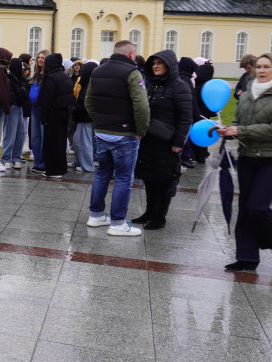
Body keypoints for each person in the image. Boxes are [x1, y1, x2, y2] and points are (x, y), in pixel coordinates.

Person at [85, 40, 149, 237]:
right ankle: (118, 223)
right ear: (131, 54)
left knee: (102, 174)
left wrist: (100, 121)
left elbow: (88, 101)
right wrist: (141, 129)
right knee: (123, 178)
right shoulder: (132, 73)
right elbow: (142, 106)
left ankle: (96, 215)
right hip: (125, 133)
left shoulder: (97, 71)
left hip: (102, 131)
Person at [219, 52, 272, 272]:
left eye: (267, 66)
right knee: (245, 208)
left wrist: (242, 130)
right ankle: (246, 257)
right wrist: (228, 131)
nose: (261, 70)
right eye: (259, 66)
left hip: (271, 160)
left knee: (257, 207)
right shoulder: (245, 95)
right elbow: (237, 122)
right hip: (247, 157)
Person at [132, 51, 192, 230]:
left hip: (167, 141)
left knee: (164, 179)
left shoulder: (179, 86)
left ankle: (160, 217)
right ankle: (149, 212)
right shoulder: (152, 84)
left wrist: (179, 142)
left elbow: (185, 117)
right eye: (153, 63)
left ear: (169, 65)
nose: (155, 66)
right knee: (150, 177)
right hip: (149, 139)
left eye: (159, 63)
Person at [38, 53, 75, 178]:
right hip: (64, 112)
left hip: (53, 113)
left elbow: (47, 100)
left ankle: (53, 170)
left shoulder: (50, 78)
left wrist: (43, 117)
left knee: (51, 142)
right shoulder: (65, 77)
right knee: (61, 142)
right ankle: (61, 168)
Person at [70, 61, 98, 173]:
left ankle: (87, 166)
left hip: (84, 118)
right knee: (77, 140)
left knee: (84, 142)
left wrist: (75, 109)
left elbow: (85, 103)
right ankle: (78, 161)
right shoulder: (89, 84)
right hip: (83, 117)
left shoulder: (89, 86)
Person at [1, 58, 28, 170]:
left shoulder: (20, 78)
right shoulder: (9, 78)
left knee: (20, 134)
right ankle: (6, 159)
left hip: (19, 107)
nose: (23, 67)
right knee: (10, 134)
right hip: (12, 108)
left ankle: (16, 158)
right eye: (21, 65)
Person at [28, 49, 49, 173]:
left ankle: (42, 163)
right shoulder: (36, 73)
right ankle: (37, 162)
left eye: (42, 58)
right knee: (35, 136)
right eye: (38, 57)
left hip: (42, 107)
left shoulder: (47, 75)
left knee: (42, 135)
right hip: (34, 107)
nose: (40, 60)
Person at [177, 57, 200, 169]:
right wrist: (197, 115)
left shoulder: (177, 78)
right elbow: (192, 100)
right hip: (186, 115)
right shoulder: (186, 80)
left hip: (178, 114)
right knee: (185, 138)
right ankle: (185, 158)